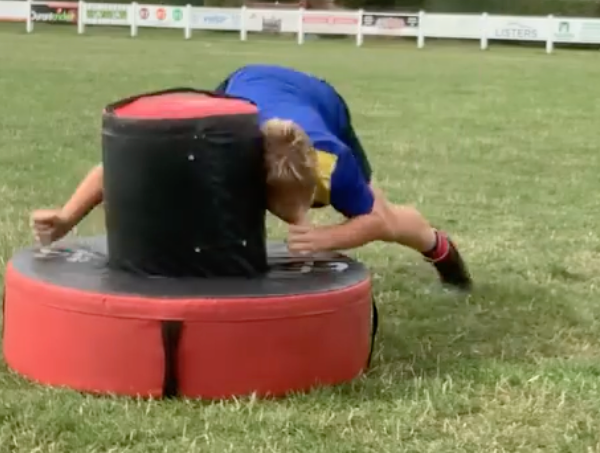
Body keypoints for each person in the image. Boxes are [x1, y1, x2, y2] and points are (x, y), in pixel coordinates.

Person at [31, 64, 472, 291]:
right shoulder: (222, 146)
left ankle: (444, 254)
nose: (297, 219)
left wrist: (327, 238)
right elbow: (125, 171)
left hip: (316, 97)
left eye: (306, 207)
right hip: (243, 84)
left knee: (391, 219)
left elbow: (376, 220)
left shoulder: (334, 162)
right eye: (285, 212)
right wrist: (67, 217)